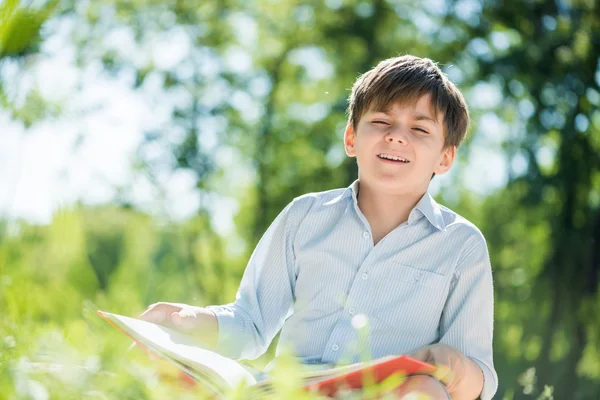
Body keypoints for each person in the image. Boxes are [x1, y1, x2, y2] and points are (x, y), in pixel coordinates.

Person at [140, 55, 497, 400]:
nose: (396, 136)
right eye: (381, 121)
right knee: (160, 362)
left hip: (383, 395)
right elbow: (250, 323)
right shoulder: (304, 216)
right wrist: (186, 320)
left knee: (428, 391)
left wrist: (454, 367)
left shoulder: (461, 245)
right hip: (289, 392)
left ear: (445, 157)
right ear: (351, 138)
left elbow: (477, 379)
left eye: (419, 128)